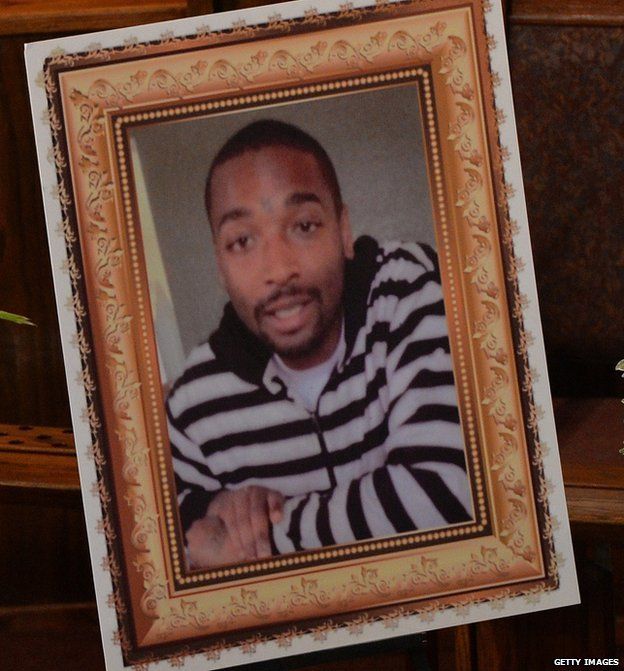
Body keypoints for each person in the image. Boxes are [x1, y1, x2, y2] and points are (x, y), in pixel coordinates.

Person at [166, 119, 472, 569]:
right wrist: (208, 522)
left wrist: (258, 537)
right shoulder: (194, 402)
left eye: (304, 226)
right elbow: (161, 552)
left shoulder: (408, 289)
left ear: (344, 231)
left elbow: (446, 495)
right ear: (219, 265)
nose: (278, 269)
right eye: (242, 241)